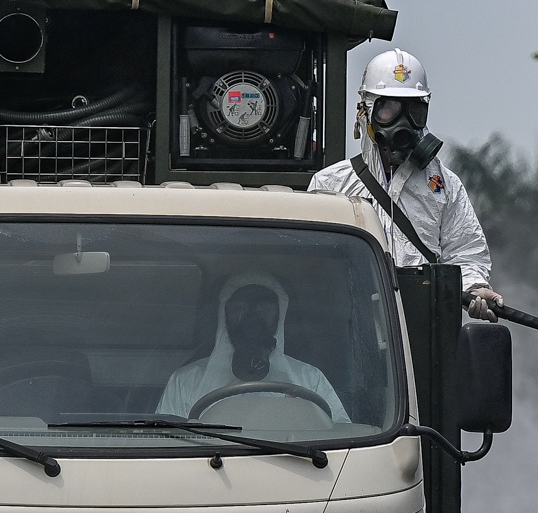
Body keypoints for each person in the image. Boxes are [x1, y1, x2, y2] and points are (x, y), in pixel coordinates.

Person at [308, 49, 502, 322]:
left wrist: (476, 288)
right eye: (389, 109)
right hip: (349, 325)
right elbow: (314, 266)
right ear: (366, 112)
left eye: (414, 111)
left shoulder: (445, 186)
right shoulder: (331, 184)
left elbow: (466, 252)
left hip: (424, 326)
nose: (404, 124)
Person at [155, 273, 349, 422]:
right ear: (224, 315)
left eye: (264, 309)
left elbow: (341, 436)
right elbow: (167, 447)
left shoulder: (309, 380)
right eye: (239, 308)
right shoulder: (185, 382)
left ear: (279, 316)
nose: (251, 320)